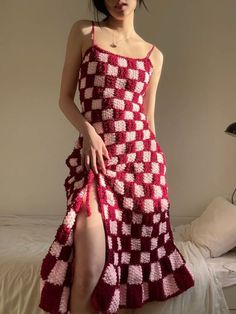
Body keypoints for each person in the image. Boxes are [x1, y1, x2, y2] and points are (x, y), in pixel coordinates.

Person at [39, 1, 195, 314]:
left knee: (129, 268)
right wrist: (88, 132)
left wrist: (157, 169)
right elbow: (64, 99)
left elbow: (148, 121)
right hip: (98, 166)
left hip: (142, 167)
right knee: (87, 272)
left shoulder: (154, 55)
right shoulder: (85, 32)